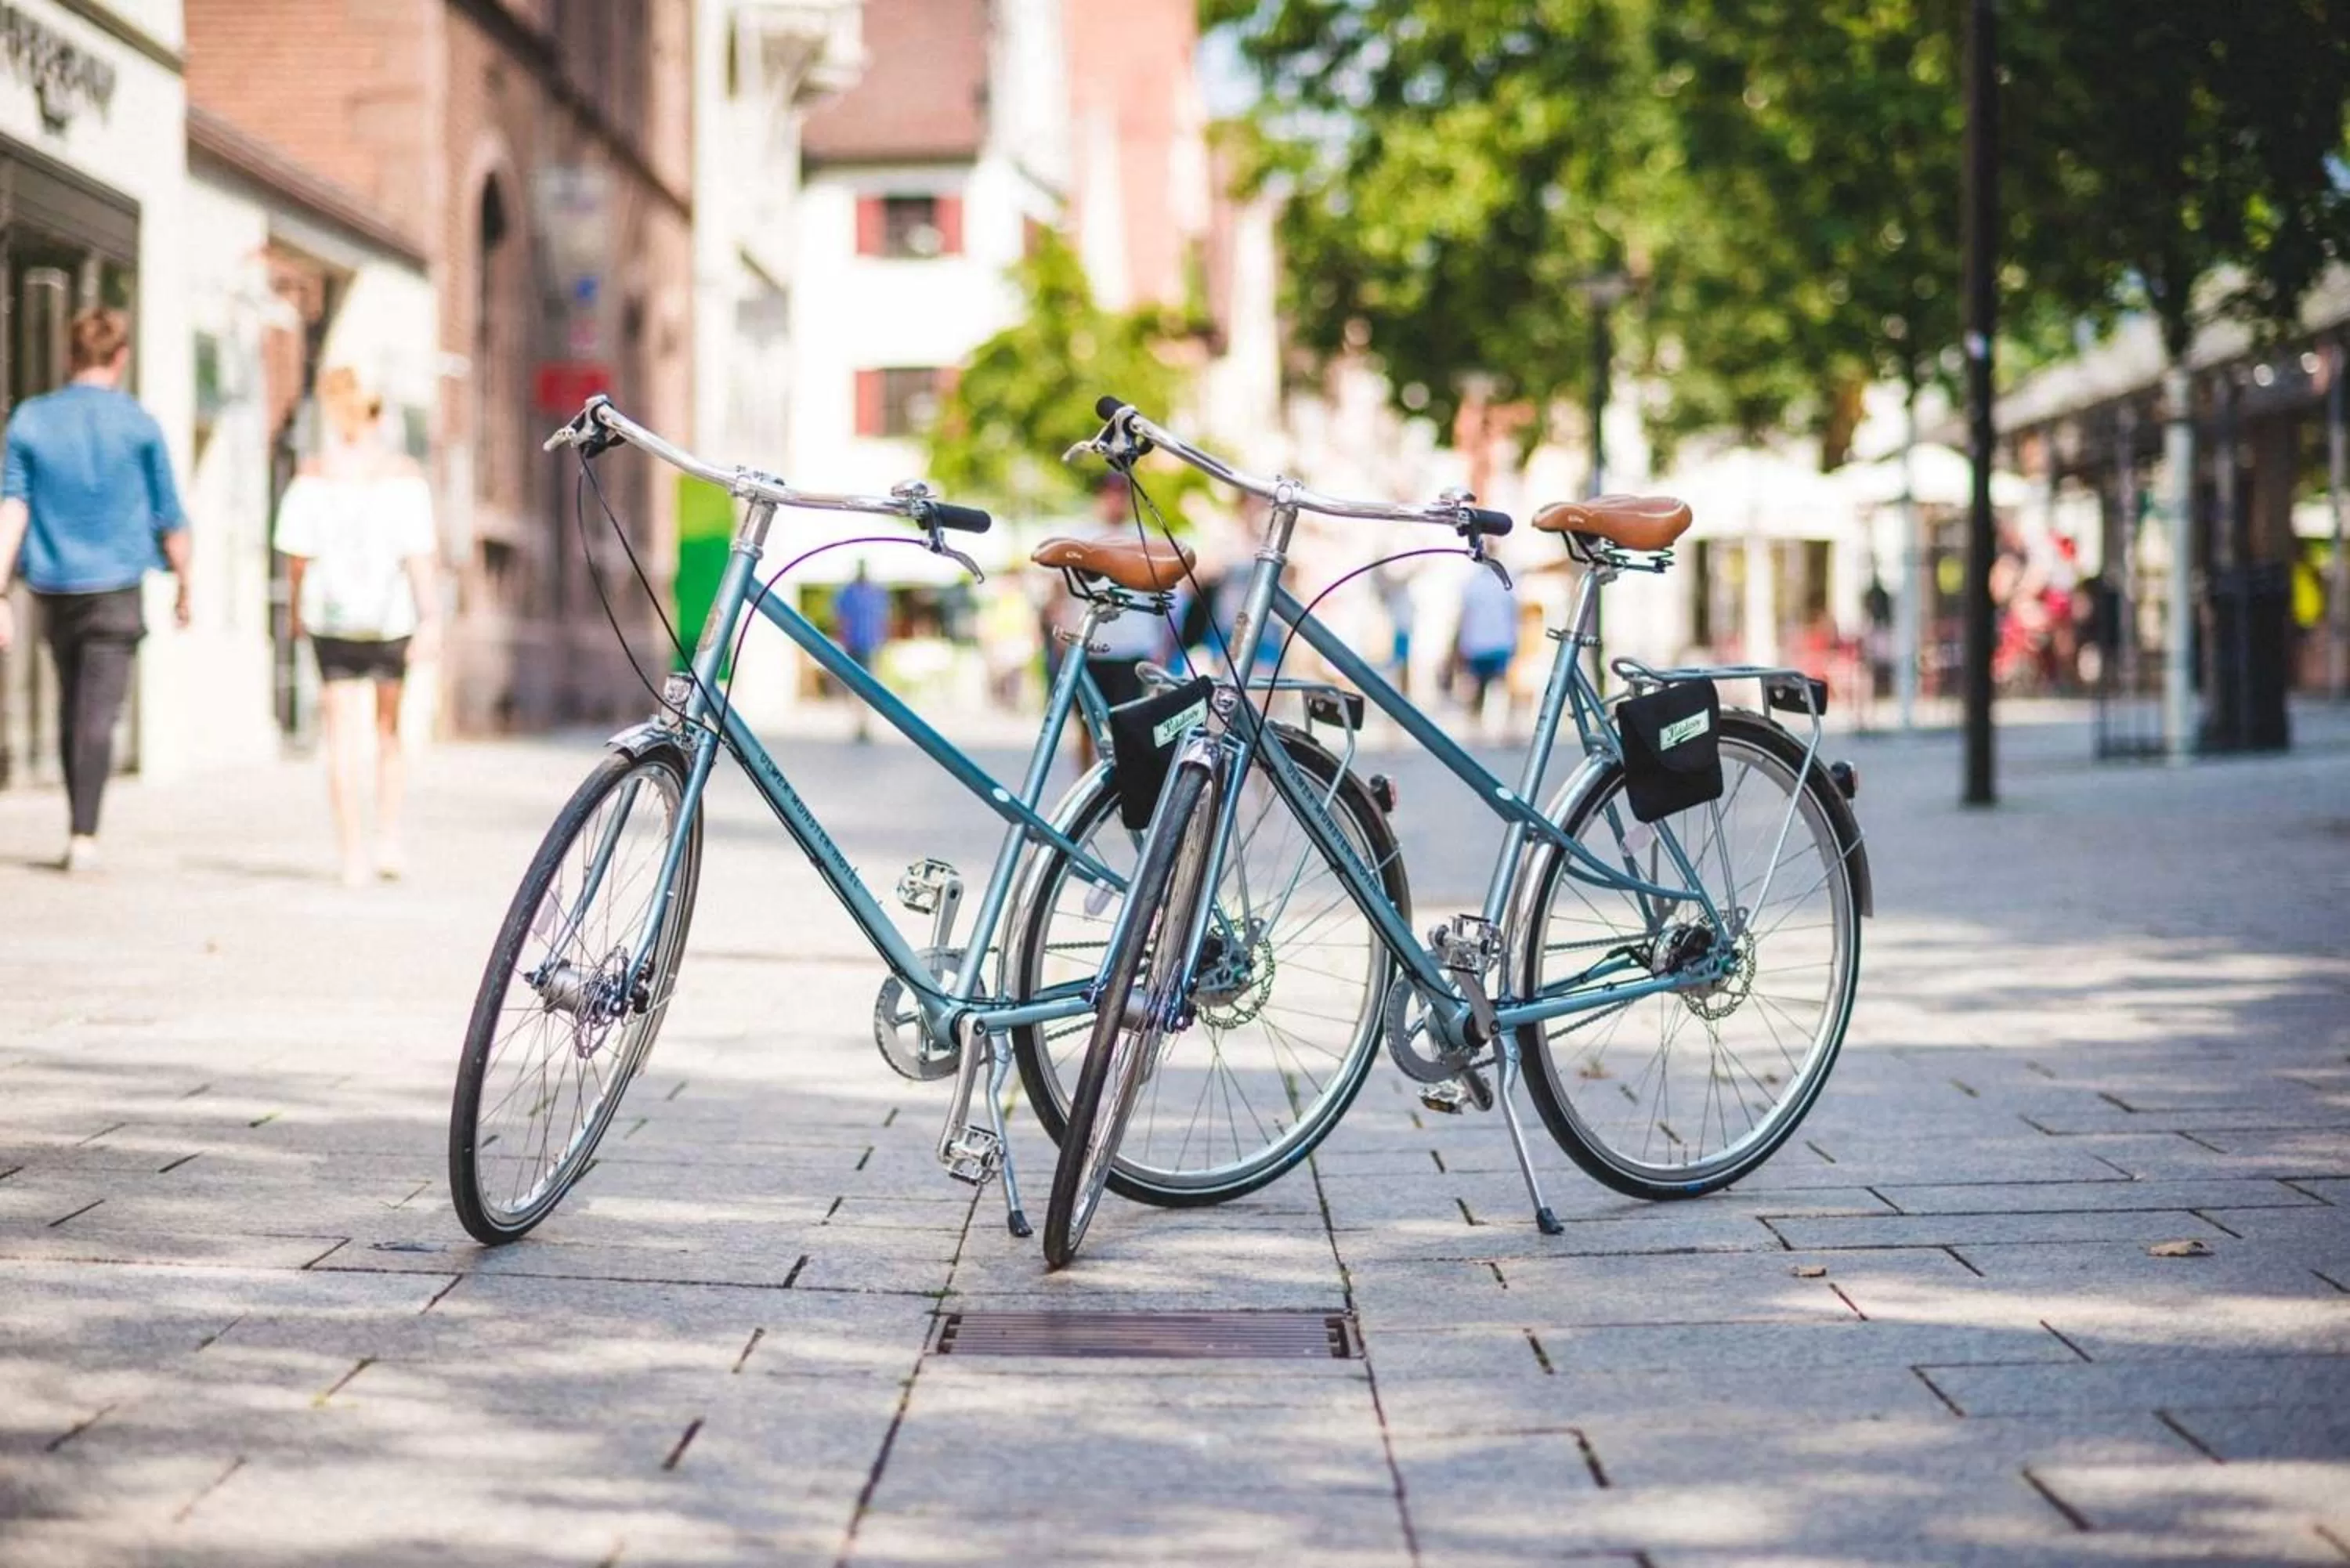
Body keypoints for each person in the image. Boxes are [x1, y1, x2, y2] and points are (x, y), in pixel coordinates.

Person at [0, 307, 190, 873]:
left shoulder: (31, 420)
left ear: (69, 355)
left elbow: (13, 507)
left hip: (56, 587)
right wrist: (187, 585)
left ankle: (78, 825)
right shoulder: (139, 424)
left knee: (70, 700)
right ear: (121, 357)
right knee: (98, 713)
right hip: (116, 586)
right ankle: (85, 832)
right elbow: (171, 516)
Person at [273, 366, 438, 887]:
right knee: (388, 733)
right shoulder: (405, 479)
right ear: (377, 415)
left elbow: (297, 558)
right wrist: (431, 617)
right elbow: (419, 557)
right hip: (390, 621)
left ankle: (351, 856)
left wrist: (297, 610)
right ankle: (388, 838)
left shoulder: (312, 478)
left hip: (332, 619)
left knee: (340, 738)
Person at [1455, 562, 1517, 730]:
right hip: (1481, 642)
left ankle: (1505, 727)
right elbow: (1465, 615)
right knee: (1481, 687)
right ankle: (1477, 726)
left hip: (1495, 641)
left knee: (1500, 685)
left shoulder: (1506, 579)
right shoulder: (1473, 582)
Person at [833, 562, 889, 742]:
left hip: (867, 643)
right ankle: (861, 724)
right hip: (859, 643)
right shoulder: (867, 593)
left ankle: (864, 724)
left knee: (863, 687)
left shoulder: (857, 592)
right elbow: (841, 619)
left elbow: (841, 618)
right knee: (860, 686)